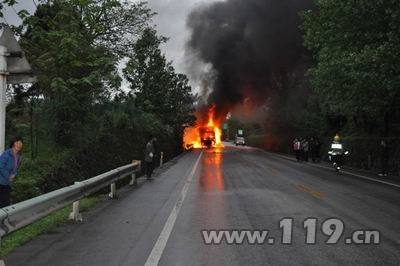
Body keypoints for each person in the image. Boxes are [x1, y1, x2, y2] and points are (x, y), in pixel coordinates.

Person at [0, 136, 23, 208]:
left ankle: (3, 218)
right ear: (13, 143)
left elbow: (16, 169)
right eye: (17, 142)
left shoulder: (19, 157)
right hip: (0, 182)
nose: (19, 144)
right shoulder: (7, 154)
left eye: (20, 143)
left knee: (5, 203)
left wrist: (14, 175)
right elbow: (1, 166)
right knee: (3, 203)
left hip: (7, 183)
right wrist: (9, 176)